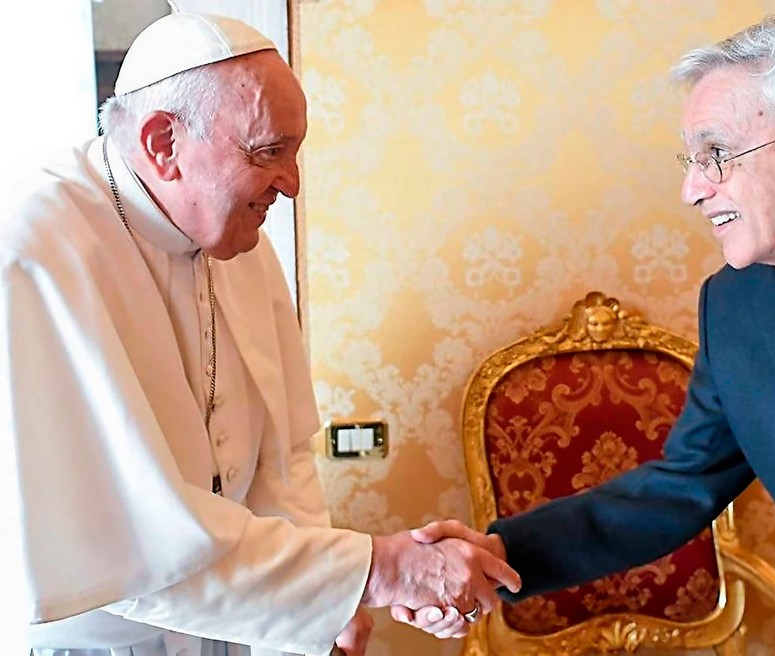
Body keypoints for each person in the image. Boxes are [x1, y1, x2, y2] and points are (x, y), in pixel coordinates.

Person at [397, 10, 775, 654]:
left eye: (718, 155)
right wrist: (502, 555)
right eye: (692, 158)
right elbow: (678, 487)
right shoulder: (737, 309)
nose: (691, 189)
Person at [2, 9, 519, 656]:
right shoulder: (35, 250)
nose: (293, 185)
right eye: (269, 152)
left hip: (242, 624)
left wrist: (327, 608)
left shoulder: (240, 240)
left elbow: (283, 454)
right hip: (104, 642)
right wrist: (378, 572)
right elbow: (121, 539)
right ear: (164, 144)